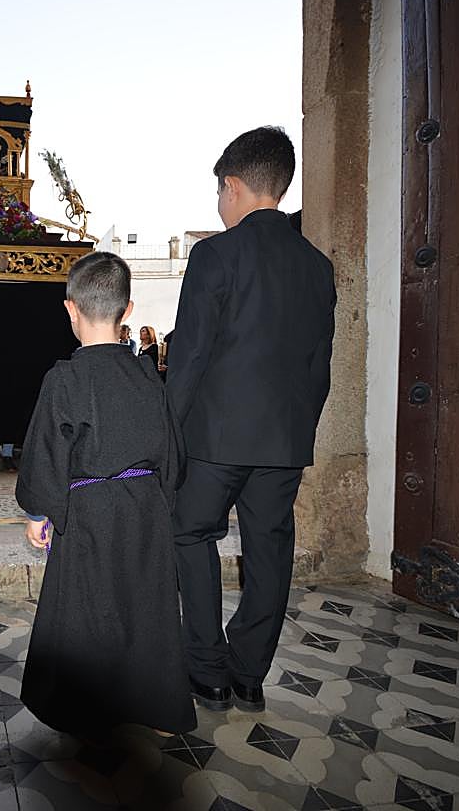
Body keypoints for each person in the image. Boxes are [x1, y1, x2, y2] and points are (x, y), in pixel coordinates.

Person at [166, 126, 335, 714]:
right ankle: (248, 674)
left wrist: (170, 434)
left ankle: (206, 669)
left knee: (190, 534)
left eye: (219, 193)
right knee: (269, 549)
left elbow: (189, 356)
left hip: (214, 438)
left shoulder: (214, 254)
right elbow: (320, 367)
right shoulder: (317, 266)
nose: (218, 205)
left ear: (233, 186)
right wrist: (297, 431)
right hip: (284, 441)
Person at [17, 251, 194, 737]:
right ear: (128, 310)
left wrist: (38, 512)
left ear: (70, 309)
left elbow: (46, 450)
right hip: (145, 511)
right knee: (149, 607)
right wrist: (162, 502)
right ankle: (160, 711)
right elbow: (171, 452)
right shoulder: (149, 376)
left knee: (86, 608)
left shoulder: (65, 379)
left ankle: (84, 709)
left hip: (88, 512)